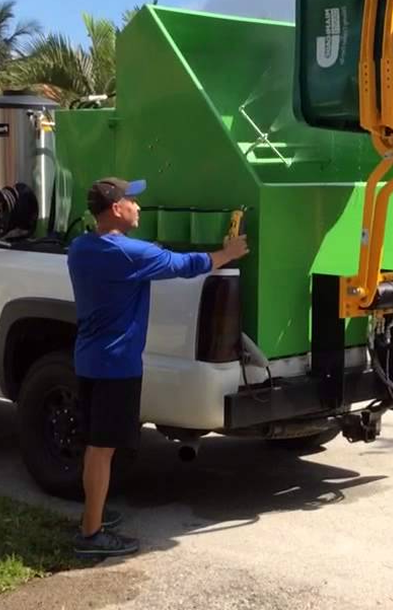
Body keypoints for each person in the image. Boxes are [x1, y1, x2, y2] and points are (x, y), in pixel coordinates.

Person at [67, 177, 249, 557]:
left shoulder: (81, 247)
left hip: (88, 360)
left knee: (95, 447)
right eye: (132, 200)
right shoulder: (130, 253)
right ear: (116, 208)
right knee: (102, 449)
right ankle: (91, 535)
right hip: (116, 366)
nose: (138, 206)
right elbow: (184, 265)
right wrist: (227, 253)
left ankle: (93, 516)